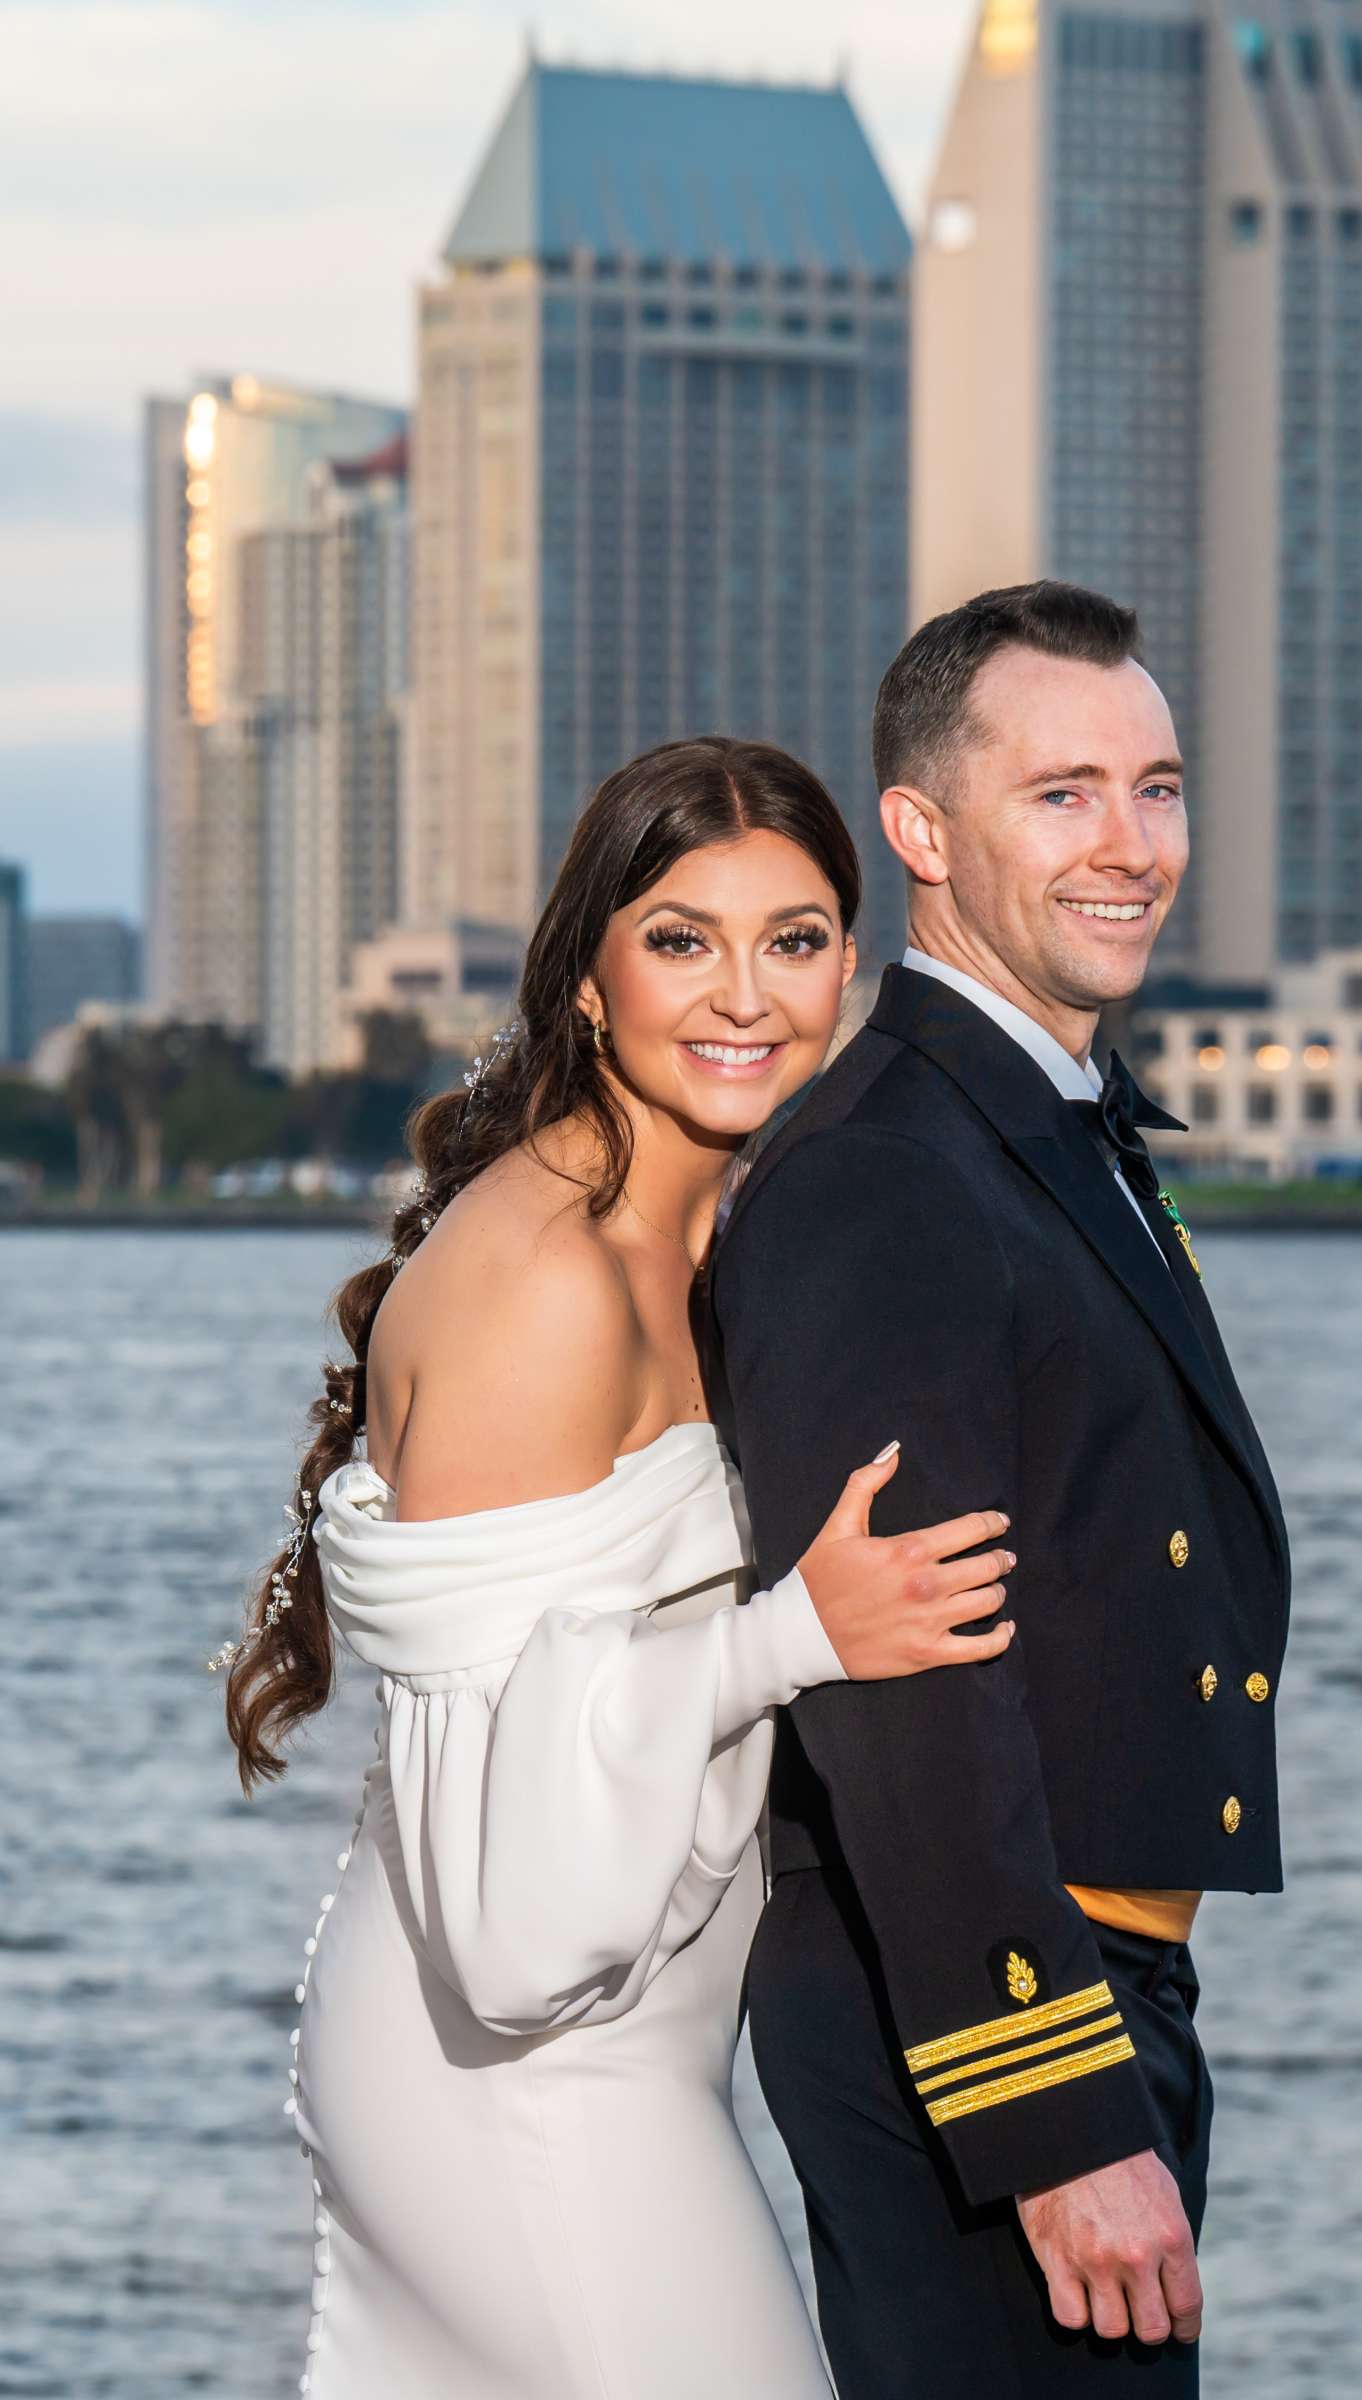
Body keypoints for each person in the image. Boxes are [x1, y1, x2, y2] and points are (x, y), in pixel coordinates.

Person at [216, 737, 1018, 2400]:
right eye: (681, 939)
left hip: (620, 2045)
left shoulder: (713, 1225)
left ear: (850, 968)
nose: (746, 996)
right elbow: (503, 1899)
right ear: (587, 975)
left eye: (794, 941)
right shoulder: (548, 1285)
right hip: (513, 2066)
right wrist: (788, 1638)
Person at [705, 582, 1292, 2396]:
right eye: (1065, 794)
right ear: (923, 832)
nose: (1131, 846)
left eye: (1160, 787)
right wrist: (1051, 2121)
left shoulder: (1038, 1125)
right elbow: (908, 1682)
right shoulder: (889, 1168)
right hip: (985, 2021)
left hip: (1080, 1984)